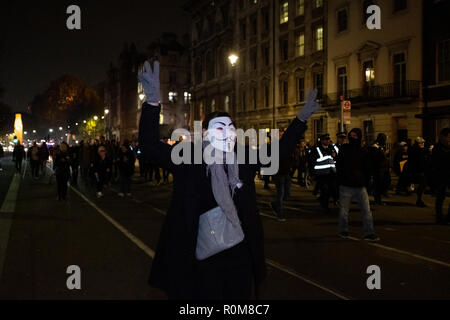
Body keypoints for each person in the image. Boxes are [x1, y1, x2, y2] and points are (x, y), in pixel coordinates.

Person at [138, 59, 320, 300]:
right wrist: (151, 104)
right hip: (202, 255)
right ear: (205, 133)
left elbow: (279, 150)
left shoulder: (243, 156)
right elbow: (149, 147)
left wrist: (301, 119)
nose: (229, 132)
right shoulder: (188, 157)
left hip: (240, 252)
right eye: (220, 128)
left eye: (231, 127)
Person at [336, 128, 379, 242]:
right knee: (344, 210)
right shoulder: (344, 149)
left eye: (355, 136)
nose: (353, 138)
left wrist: (367, 180)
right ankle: (343, 230)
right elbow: (339, 165)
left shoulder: (363, 151)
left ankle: (369, 232)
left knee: (366, 210)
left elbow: (367, 167)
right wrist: (341, 178)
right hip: (346, 184)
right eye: (351, 135)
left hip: (360, 185)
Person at [312, 133, 338, 210]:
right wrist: (313, 173)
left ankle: (325, 200)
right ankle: (325, 206)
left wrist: (334, 156)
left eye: (328, 139)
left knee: (332, 189)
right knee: (325, 190)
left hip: (331, 173)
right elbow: (312, 161)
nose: (327, 141)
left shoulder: (331, 148)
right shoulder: (317, 149)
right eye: (326, 140)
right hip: (321, 174)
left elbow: (334, 159)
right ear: (322, 141)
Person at [271, 130, 292, 222]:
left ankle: (275, 204)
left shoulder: (285, 145)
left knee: (287, 193)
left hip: (286, 172)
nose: (282, 136)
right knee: (280, 193)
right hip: (278, 173)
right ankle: (280, 213)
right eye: (280, 135)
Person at [431, 128, 450, 225]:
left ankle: (448, 217)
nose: (449, 139)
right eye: (448, 137)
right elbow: (435, 163)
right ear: (442, 137)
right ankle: (439, 217)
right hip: (441, 176)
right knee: (440, 197)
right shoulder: (437, 148)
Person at [369, 133, 391, 205]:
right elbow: (376, 157)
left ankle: (379, 198)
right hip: (377, 169)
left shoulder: (381, 146)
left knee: (382, 183)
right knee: (377, 184)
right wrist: (384, 153)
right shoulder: (375, 146)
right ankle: (377, 200)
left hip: (383, 168)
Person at [408, 137, 429, 207]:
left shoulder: (419, 150)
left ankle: (419, 199)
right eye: (421, 143)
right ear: (417, 144)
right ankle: (419, 200)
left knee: (423, 185)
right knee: (422, 185)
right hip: (418, 170)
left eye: (423, 143)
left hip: (422, 170)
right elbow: (418, 160)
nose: (423, 144)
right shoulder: (416, 150)